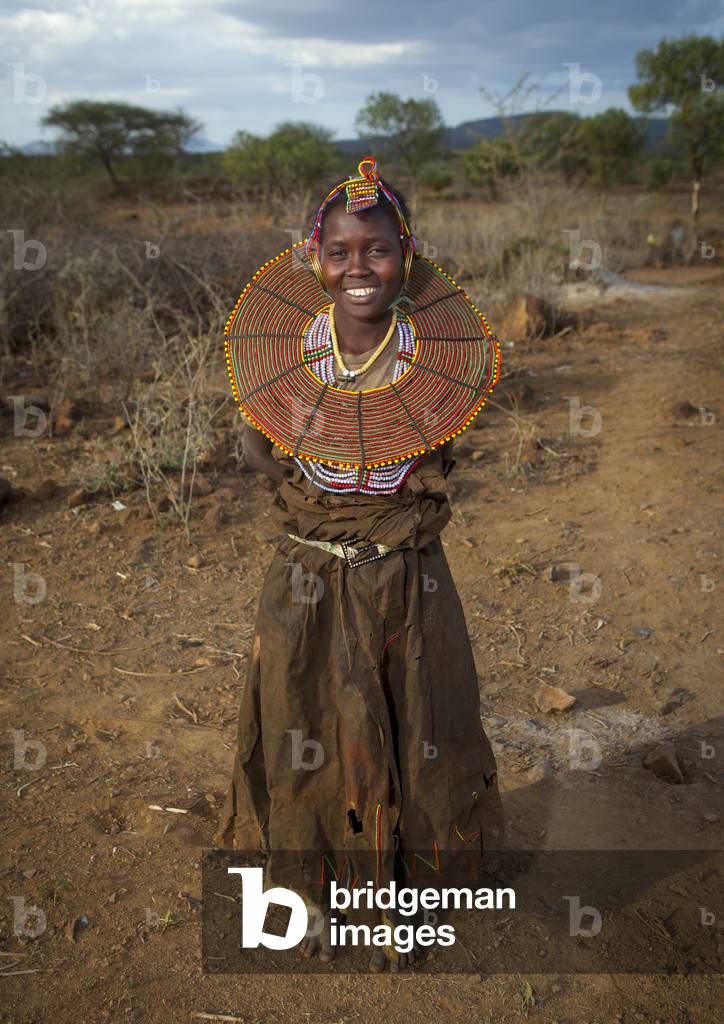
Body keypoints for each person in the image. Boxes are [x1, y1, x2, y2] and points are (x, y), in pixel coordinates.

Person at [215, 157, 504, 973]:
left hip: (404, 579)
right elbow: (254, 445)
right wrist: (299, 485)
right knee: (304, 725)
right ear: (315, 258)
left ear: (406, 255)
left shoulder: (437, 362)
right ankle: (313, 898)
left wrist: (399, 492)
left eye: (375, 250)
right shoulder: (284, 356)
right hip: (305, 579)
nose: (357, 268)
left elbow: (440, 450)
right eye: (339, 251)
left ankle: (394, 906)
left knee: (416, 728)